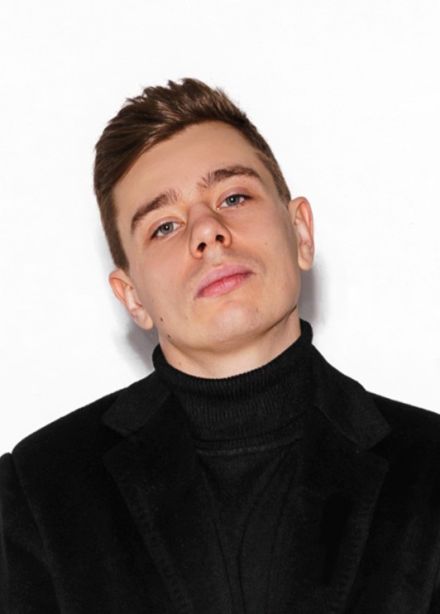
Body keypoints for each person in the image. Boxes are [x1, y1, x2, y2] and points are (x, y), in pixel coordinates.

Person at [0, 77, 439, 614]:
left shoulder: (430, 469)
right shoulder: (40, 491)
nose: (207, 231)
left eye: (233, 197)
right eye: (164, 226)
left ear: (301, 232)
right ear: (132, 296)